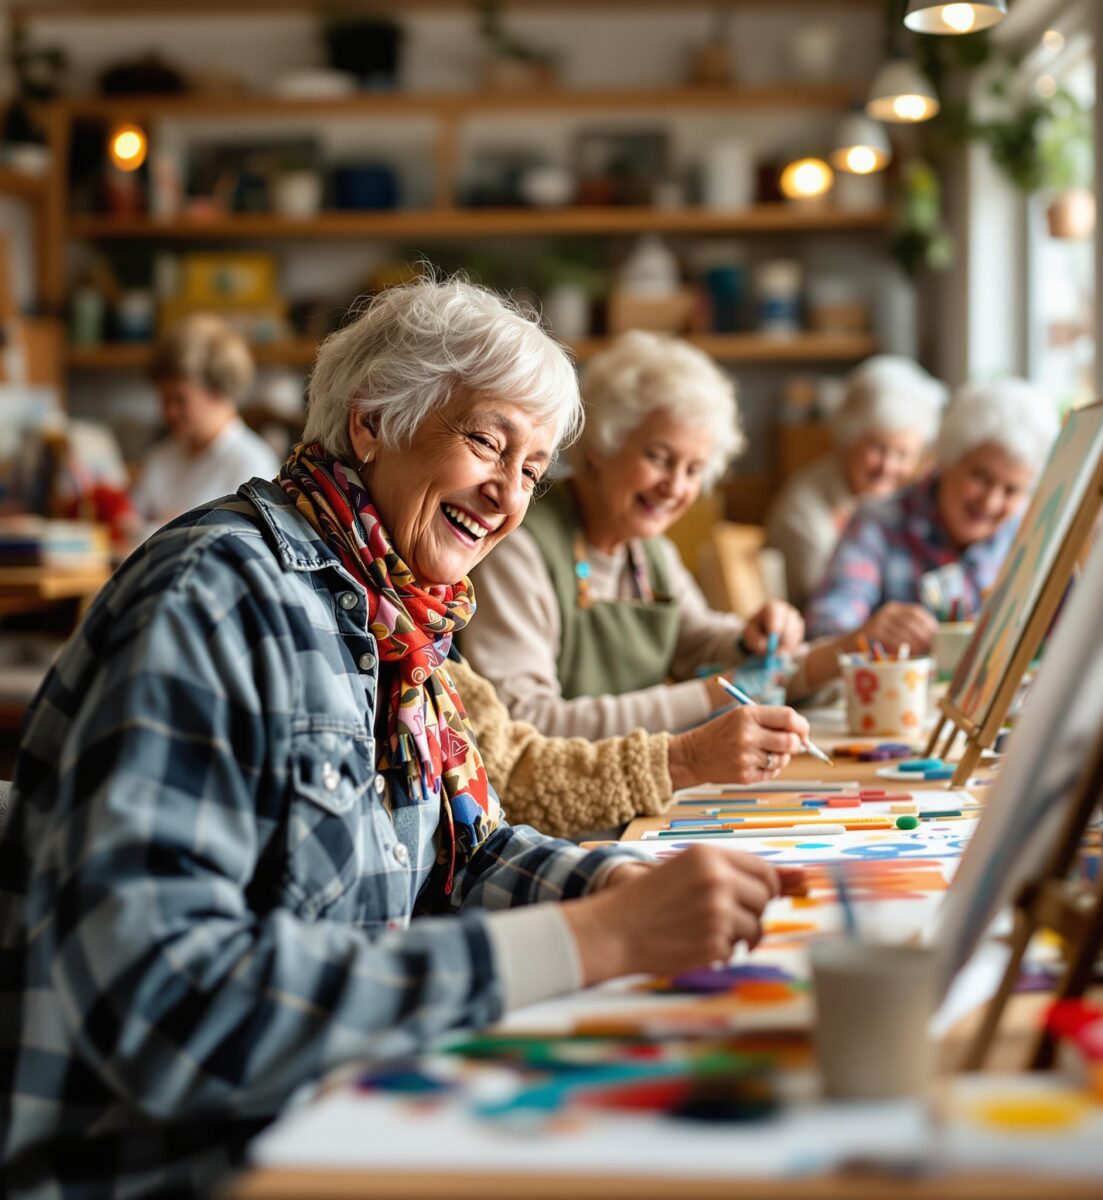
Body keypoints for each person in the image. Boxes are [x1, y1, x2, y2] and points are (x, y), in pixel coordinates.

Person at [0, 279, 791, 1198]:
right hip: (171, 1165)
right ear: (373, 422)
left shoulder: (397, 612)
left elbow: (460, 854)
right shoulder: (216, 599)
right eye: (487, 442)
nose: (506, 497)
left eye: (532, 469)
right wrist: (593, 940)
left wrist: (612, 881)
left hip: (326, 1118)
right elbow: (162, 1006)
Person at [459, 331, 807, 739]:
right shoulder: (517, 544)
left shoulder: (649, 551)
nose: (676, 488)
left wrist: (752, 637)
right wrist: (711, 696)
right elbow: (523, 721)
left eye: (694, 470)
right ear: (601, 444)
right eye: (659, 458)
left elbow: (696, 642)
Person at [805, 378, 1060, 655]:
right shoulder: (877, 522)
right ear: (949, 459)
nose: (991, 501)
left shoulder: (1030, 533)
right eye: (981, 477)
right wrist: (868, 635)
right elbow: (826, 628)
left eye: (1011, 490)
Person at [447, 650, 811, 838]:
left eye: (527, 497)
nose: (508, 501)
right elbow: (509, 774)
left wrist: (745, 642)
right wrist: (687, 757)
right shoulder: (521, 554)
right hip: (594, 823)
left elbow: (709, 640)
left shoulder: (653, 553)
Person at [765, 355, 945, 608]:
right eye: (878, 448)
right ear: (848, 438)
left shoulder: (914, 500)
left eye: (903, 455)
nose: (889, 466)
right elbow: (835, 598)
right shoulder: (802, 508)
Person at [132, 313, 281, 527]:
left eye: (180, 400)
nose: (169, 412)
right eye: (164, 399)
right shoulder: (161, 457)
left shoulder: (253, 465)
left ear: (219, 390)